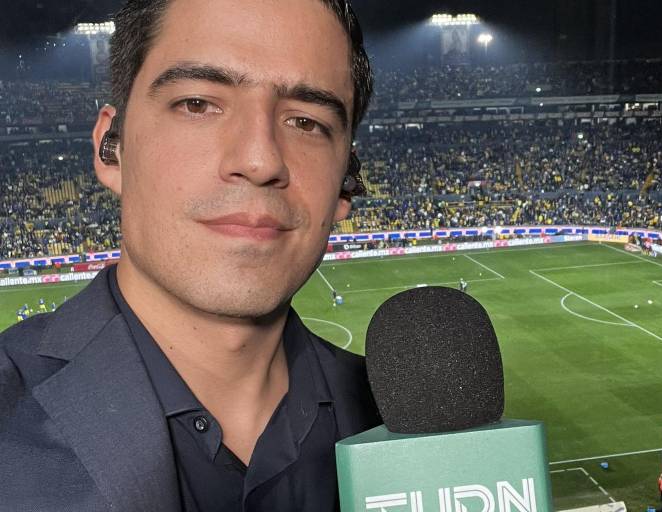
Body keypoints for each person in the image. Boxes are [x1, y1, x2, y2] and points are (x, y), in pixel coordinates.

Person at [0, 0, 380, 510]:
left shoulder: (404, 421)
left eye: (306, 122)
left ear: (345, 184)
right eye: (197, 104)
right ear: (112, 147)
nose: (260, 159)